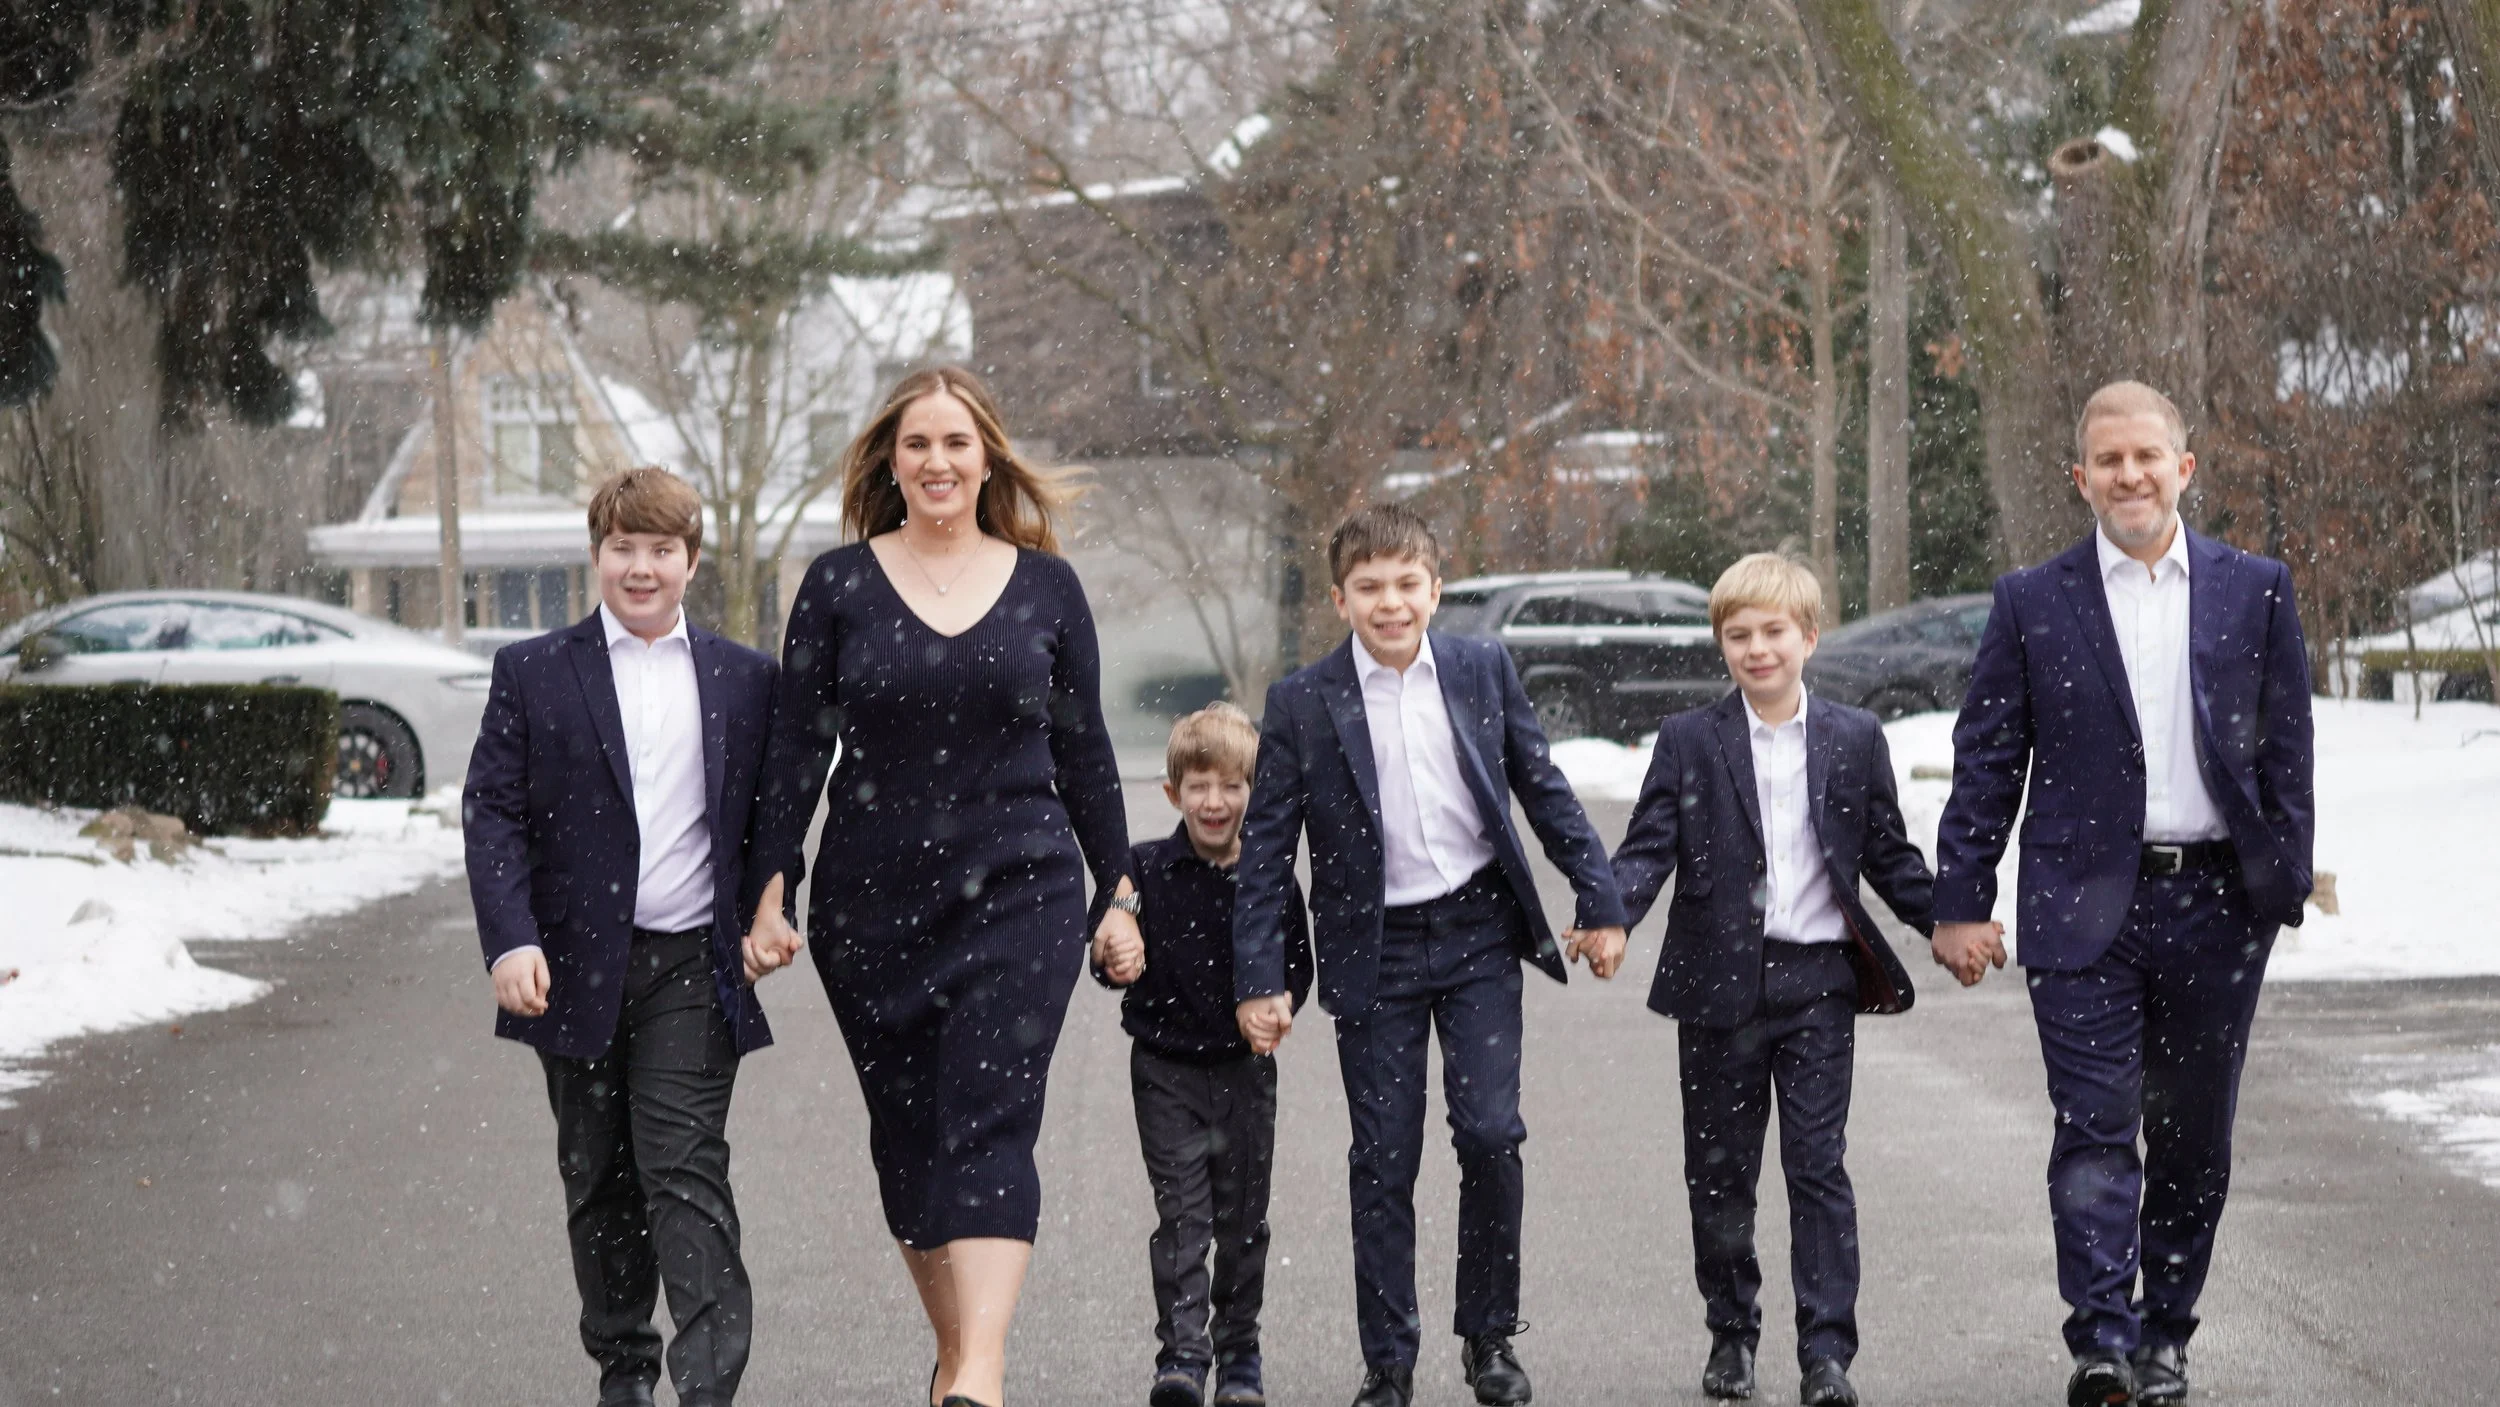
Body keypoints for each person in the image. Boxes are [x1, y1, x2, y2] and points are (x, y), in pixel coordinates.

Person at [740, 366, 1137, 1407]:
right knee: (910, 1144)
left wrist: (1117, 888)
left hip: (1022, 890)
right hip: (872, 904)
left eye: (957, 443)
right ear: (890, 461)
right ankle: (956, 1354)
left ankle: (984, 1378)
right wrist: (769, 883)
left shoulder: (1046, 587)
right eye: (917, 444)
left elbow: (1085, 748)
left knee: (989, 1118)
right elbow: (795, 750)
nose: (938, 462)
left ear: (987, 457)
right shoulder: (836, 586)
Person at [1930, 381, 2314, 1407]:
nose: (2129, 474)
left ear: (2183, 467)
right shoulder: (2031, 601)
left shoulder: (2255, 590)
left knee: (2193, 1137)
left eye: (2147, 456)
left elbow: (2287, 754)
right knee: (2095, 1126)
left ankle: (2165, 1333)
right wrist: (1959, 898)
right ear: (2080, 479)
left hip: (2216, 908)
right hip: (2079, 906)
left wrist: (2277, 885)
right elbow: (1985, 760)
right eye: (2108, 460)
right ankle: (2100, 1337)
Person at [1231, 503, 1630, 1407]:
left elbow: (1543, 786)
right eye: (1368, 586)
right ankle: (1390, 1360)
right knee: (1383, 1158)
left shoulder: (1482, 667)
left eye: (1407, 583)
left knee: (1491, 1134)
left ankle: (1490, 1337)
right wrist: (1260, 978)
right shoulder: (1302, 702)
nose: (1390, 601)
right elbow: (1265, 852)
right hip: (1374, 952)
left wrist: (1599, 898)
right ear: (1340, 597)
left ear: (1436, 588)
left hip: (1478, 932)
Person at [463, 467, 781, 1407]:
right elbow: (492, 814)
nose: (641, 568)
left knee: (683, 1168)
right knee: (599, 1176)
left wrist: (772, 903)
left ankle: (708, 1386)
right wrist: (510, 939)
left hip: (693, 963)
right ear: (597, 554)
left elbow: (774, 818)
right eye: (623, 549)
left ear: (691, 561)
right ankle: (624, 1371)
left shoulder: (744, 679)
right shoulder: (534, 671)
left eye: (661, 550)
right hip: (572, 968)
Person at [1610, 553, 1942, 1407]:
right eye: (1739, 635)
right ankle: (1732, 1330)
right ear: (1722, 644)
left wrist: (1947, 919)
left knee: (1817, 1163)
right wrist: (1611, 913)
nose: (1758, 649)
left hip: (1818, 982)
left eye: (1774, 632)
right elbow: (1650, 846)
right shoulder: (1689, 739)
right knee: (1720, 1172)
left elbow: (1887, 851)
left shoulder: (1853, 737)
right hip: (1718, 985)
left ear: (1810, 636)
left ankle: (1827, 1351)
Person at [1090, 702, 1314, 1407]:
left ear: (1255, 790)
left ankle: (1240, 1353)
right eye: (1198, 785)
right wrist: (1113, 953)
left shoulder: (1272, 878)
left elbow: (1296, 966)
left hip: (1245, 1072)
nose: (1214, 801)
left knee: (1243, 1222)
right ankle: (1181, 1357)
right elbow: (1107, 944)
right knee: (1183, 1217)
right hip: (1164, 1071)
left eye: (1231, 785)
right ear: (1172, 792)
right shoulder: (1144, 869)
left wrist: (1279, 1006)